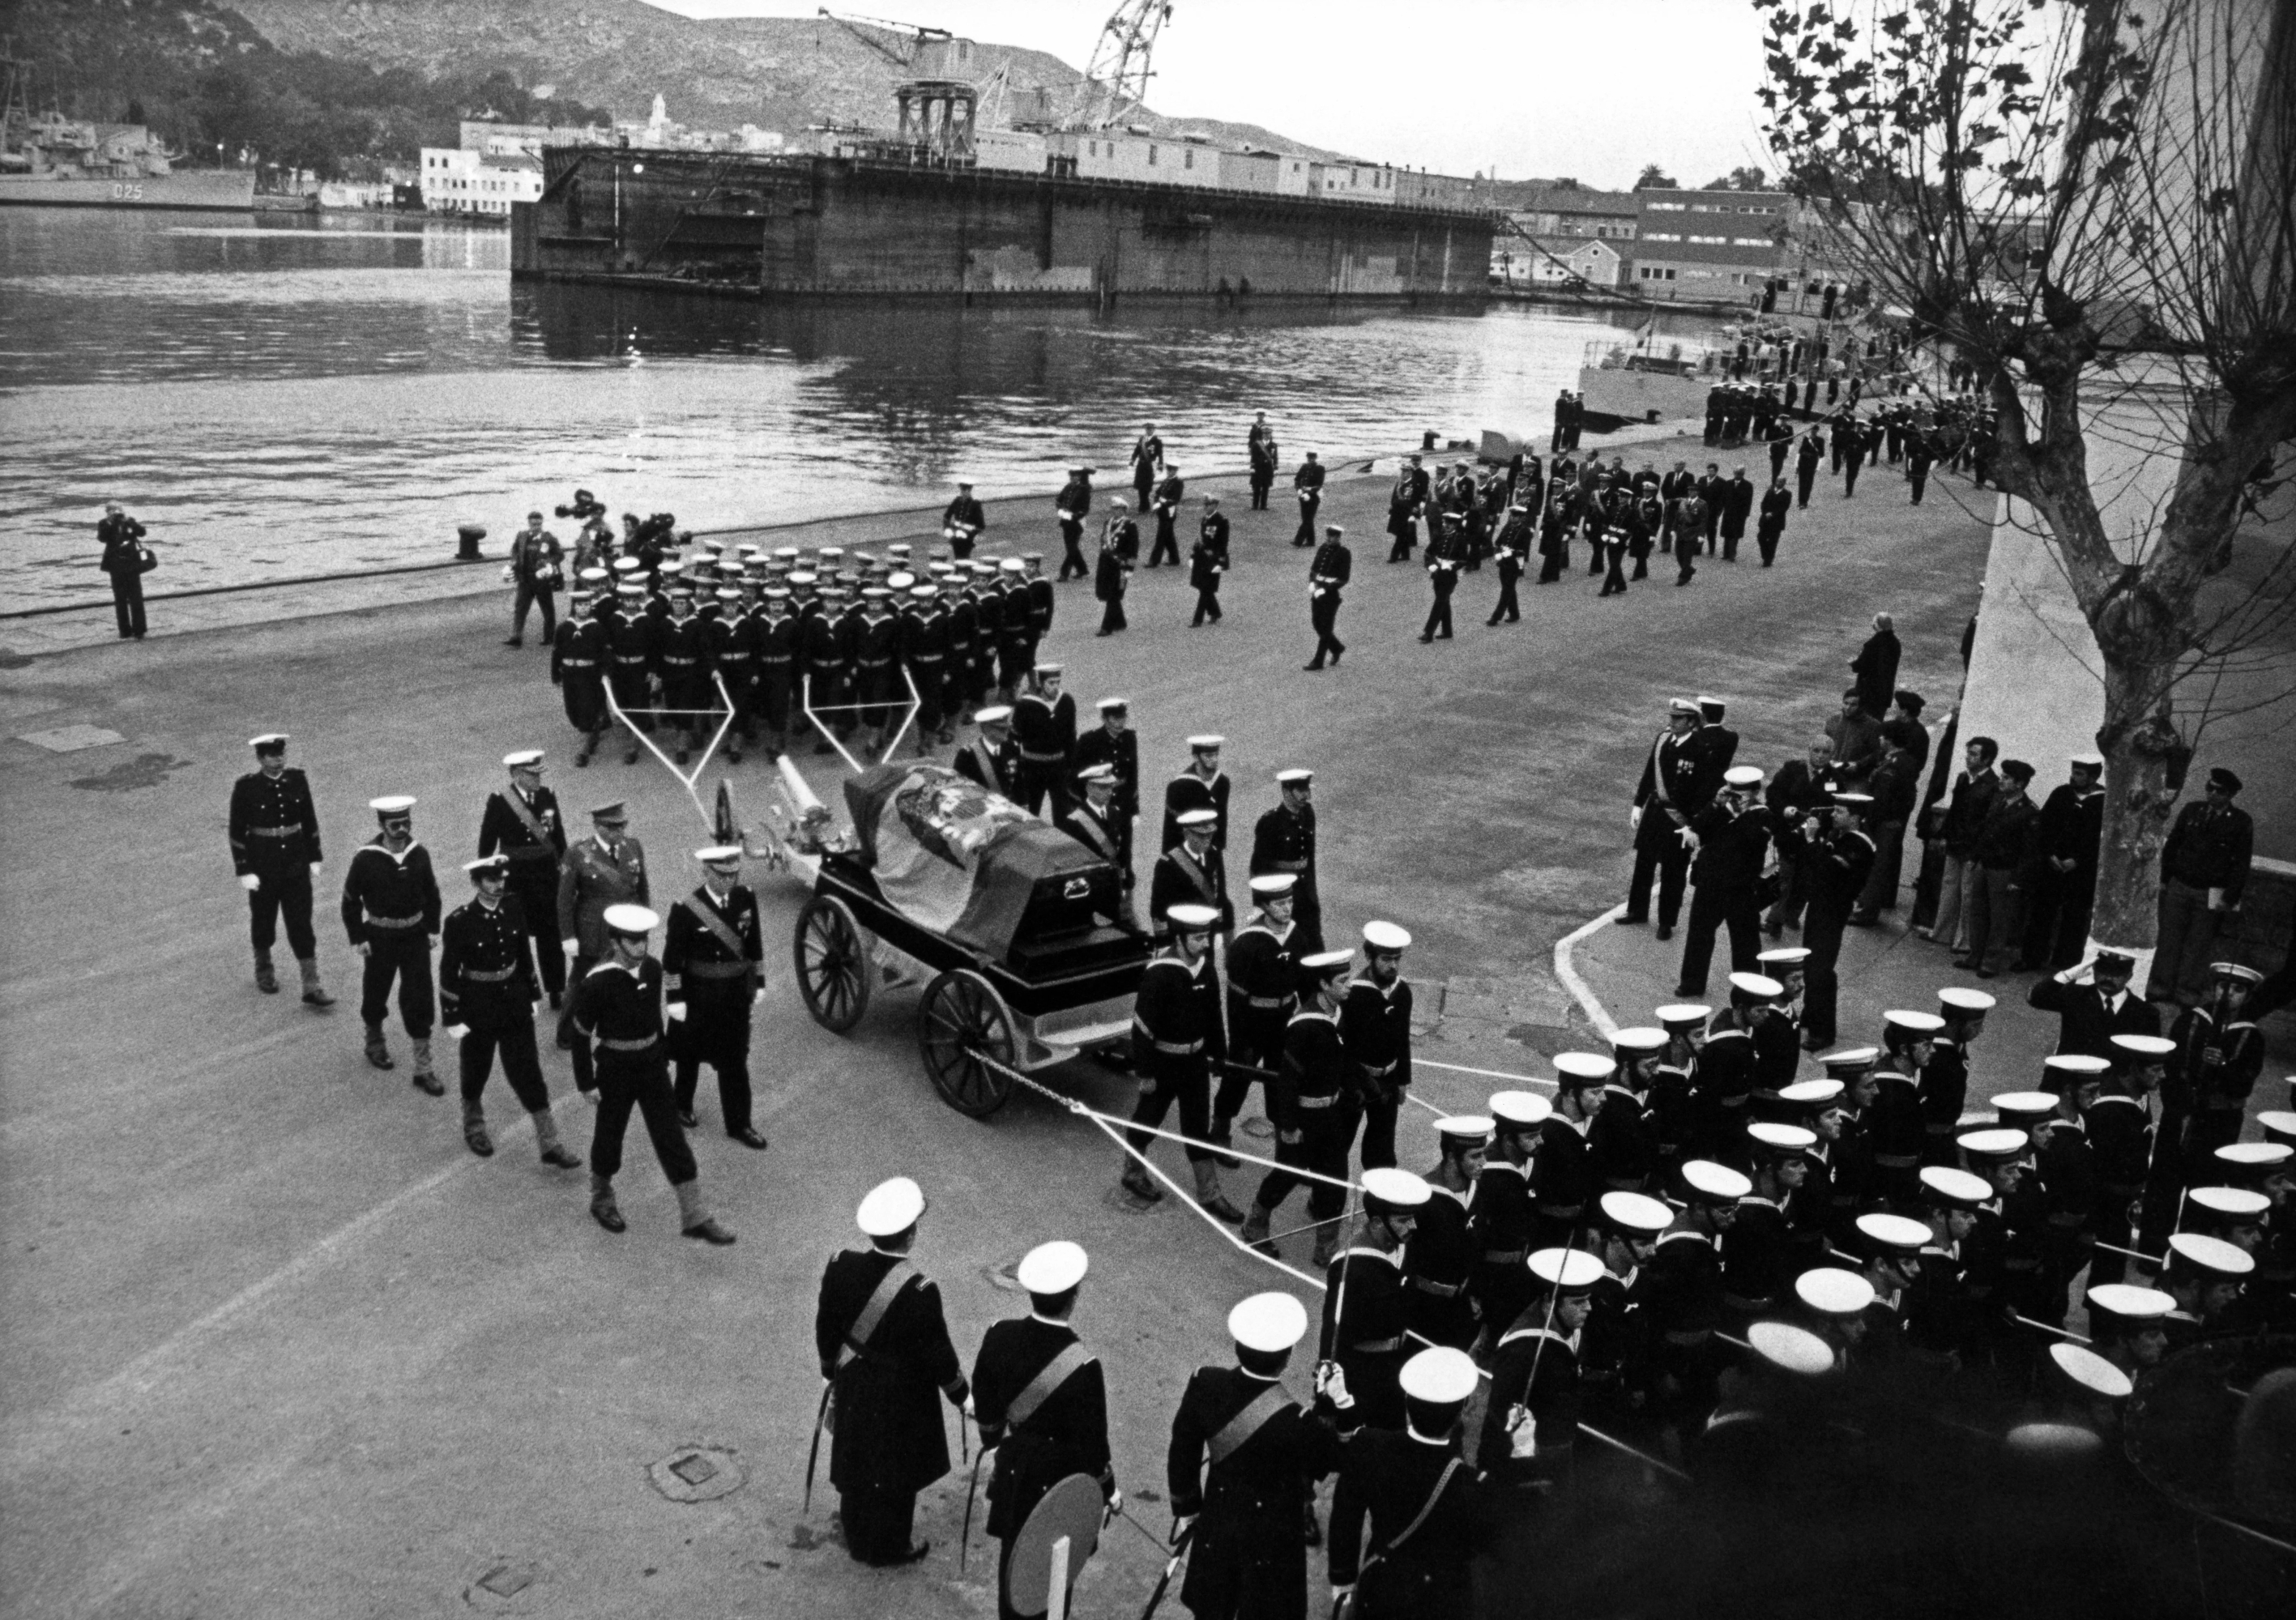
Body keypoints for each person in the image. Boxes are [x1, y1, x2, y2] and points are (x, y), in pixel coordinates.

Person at [1167, 1292, 1356, 1620]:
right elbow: (1337, 1457)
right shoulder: (1298, 1423)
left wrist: (1188, 1509)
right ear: (1286, 1358)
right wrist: (1336, 1401)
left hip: (1218, 1525)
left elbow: (1182, 1451)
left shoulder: (1204, 1383)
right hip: (1272, 1543)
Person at [815, 1176, 968, 1566]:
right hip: (901, 1396)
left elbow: (826, 1326)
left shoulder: (840, 1266)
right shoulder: (921, 1291)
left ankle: (856, 1533)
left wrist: (829, 1371)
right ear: (911, 1234)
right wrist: (961, 1395)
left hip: (853, 1380)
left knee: (854, 1457)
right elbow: (940, 1357)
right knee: (897, 1474)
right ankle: (889, 1546)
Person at [566, 902, 731, 1242]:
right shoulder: (596, 982)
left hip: (652, 1066)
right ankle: (601, 1198)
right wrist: (587, 1082)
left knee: (671, 1136)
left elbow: (655, 1019)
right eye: (633, 941)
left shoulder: (652, 969)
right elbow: (579, 1035)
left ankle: (694, 1214)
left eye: (644, 940)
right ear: (616, 942)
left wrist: (663, 1055)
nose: (641, 947)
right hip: (615, 1069)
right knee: (610, 1135)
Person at [971, 1240, 1115, 1620]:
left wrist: (994, 1441)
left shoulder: (999, 1334)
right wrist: (1108, 1489)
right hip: (1058, 1478)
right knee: (1055, 1568)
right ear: (1074, 1298)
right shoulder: (1084, 1365)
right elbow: (1093, 1445)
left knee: (1014, 1557)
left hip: (1015, 1465)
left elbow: (986, 1404)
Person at [437, 855, 583, 1166]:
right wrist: (452, 1016)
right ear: (476, 883)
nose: (498, 885)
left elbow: (523, 954)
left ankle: (550, 1142)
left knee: (528, 1072)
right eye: (491, 880)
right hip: (478, 1007)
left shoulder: (513, 907)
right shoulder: (460, 921)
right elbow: (450, 970)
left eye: (501, 879)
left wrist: (532, 992)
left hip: (514, 1002)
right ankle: (474, 1126)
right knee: (476, 1070)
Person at [1327, 1345, 1480, 1618]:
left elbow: (1345, 1518)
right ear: (1463, 1410)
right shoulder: (1470, 1484)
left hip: (1381, 1587)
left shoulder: (1370, 1447)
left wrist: (1343, 1581)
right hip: (1440, 1602)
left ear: (1407, 1402)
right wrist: (1523, 1454)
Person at [1242, 947, 1359, 1261]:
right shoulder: (1303, 1026)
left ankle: (1326, 1248)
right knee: (1287, 1174)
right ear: (1324, 985)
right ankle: (1255, 1225)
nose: (1349, 986)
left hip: (1330, 1113)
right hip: (1303, 1118)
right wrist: (1289, 1127)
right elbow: (1288, 1082)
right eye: (1343, 981)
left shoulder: (1339, 1014)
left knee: (1335, 1178)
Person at [1123, 903, 1241, 1215]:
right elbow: (1142, 1029)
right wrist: (1146, 1074)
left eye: (1208, 936)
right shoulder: (1159, 973)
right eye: (1199, 938)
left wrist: (1219, 1055)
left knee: (1197, 1127)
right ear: (1180, 938)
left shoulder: (1206, 968)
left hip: (1195, 1064)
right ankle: (1132, 1173)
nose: (1206, 944)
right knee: (1148, 1121)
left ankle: (1209, 1193)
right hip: (1162, 1065)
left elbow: (1214, 1015)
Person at [664, 845, 770, 1150]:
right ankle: (681, 1104)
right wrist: (675, 998)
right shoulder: (686, 909)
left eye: (733, 874)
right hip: (699, 996)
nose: (728, 881)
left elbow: (754, 943)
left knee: (735, 1060)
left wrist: (759, 981)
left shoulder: (745, 897)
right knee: (688, 1055)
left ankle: (740, 1124)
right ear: (706, 872)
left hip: (735, 996)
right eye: (721, 875)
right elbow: (672, 958)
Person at [340, 795, 442, 1089]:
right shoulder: (365, 858)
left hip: (414, 936)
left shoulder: (419, 854)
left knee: (420, 998)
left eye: (406, 823)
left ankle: (423, 1067)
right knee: (375, 991)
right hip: (380, 937)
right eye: (395, 824)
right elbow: (350, 901)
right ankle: (374, 1042)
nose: (402, 830)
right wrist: (358, 937)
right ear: (382, 825)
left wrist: (433, 929)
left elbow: (432, 894)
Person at [1318, 1167, 1429, 1432]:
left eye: (1412, 1217)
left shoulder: (1401, 1242)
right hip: (1361, 1369)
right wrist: (1326, 1398)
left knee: (1389, 1437)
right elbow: (1331, 1332)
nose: (1412, 1225)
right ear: (1378, 1223)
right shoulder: (1348, 1268)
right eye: (1404, 1220)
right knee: (1346, 1438)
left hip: (1394, 1364)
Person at [228, 733, 333, 1004]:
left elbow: (309, 819)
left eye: (281, 754)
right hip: (263, 865)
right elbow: (237, 831)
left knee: (301, 924)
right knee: (263, 921)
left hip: (295, 864)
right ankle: (264, 968)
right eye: (272, 756)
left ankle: (311, 984)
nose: (279, 760)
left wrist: (314, 856)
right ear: (261, 758)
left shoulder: (297, 780)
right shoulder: (247, 788)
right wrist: (244, 870)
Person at [556, 800, 650, 1098]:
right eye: (613, 827)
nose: (620, 831)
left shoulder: (633, 847)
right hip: (595, 929)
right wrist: (568, 936)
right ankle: (567, 1030)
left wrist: (644, 920)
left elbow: (642, 887)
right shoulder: (578, 853)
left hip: (627, 923)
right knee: (583, 980)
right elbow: (564, 899)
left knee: (627, 975)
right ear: (598, 827)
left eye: (622, 825)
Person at [2148, 766, 2254, 1006]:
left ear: (2230, 796)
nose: (2212, 794)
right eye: (2210, 788)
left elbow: (2241, 862)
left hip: (2211, 891)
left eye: (2219, 791)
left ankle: (2187, 992)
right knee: (2169, 938)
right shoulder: (2191, 810)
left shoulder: (2240, 822)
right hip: (2181, 884)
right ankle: (2160, 986)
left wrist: (2230, 896)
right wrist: (2164, 879)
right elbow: (2173, 845)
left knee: (2199, 943)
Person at [477, 750, 568, 1008]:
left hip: (546, 876)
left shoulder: (547, 796)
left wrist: (565, 864)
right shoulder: (499, 801)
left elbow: (557, 834)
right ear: (517, 775)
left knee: (550, 935)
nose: (538, 779)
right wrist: (485, 877)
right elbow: (487, 841)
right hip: (516, 878)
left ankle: (556, 988)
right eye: (532, 775)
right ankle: (523, 987)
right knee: (516, 934)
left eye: (539, 774)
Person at [1216, 874, 1300, 1149]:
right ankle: (1219, 1134)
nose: (1287, 908)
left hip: (1283, 1023)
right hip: (1252, 1026)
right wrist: (1240, 1041)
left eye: (1289, 901)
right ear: (1264, 907)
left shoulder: (1297, 937)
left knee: (1281, 1085)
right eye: (1279, 904)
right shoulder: (1247, 945)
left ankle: (1284, 1148)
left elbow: (1307, 984)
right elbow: (1235, 999)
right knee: (1237, 1080)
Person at [1676, 765, 1774, 997]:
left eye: (1741, 793)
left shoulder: (1762, 815)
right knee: (1699, 934)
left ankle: (1749, 988)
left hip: (1741, 886)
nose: (1736, 797)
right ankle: (1692, 982)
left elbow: (1754, 840)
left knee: (1745, 942)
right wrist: (1716, 804)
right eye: (1732, 791)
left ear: (1753, 792)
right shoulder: (1720, 809)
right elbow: (1698, 828)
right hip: (1711, 882)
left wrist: (1740, 813)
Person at [1800, 795, 1879, 1050]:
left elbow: (1826, 869)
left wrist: (1812, 840)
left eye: (1840, 811)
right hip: (1820, 905)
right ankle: (1812, 1012)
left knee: (1821, 969)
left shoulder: (1858, 845)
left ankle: (1822, 1032)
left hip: (1832, 910)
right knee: (1811, 962)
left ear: (1855, 817)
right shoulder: (1841, 837)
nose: (1833, 815)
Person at [1408, 1116, 1492, 1352]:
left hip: (1463, 1307)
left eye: (1484, 1154)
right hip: (1425, 1309)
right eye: (1476, 1156)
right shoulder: (1422, 1197)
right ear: (1452, 1157)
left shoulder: (1480, 1189)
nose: (1484, 1162)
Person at [1625, 699, 1704, 940]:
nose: (1672, 722)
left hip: (1678, 820)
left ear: (1691, 722)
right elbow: (1650, 772)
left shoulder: (1700, 748)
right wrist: (1638, 804)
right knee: (1644, 864)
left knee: (1673, 871)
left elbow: (1702, 789)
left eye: (1678, 718)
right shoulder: (1662, 739)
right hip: (1655, 813)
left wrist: (1694, 824)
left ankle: (1666, 922)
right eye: (1671, 717)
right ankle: (1637, 910)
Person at [2019, 754, 2105, 970]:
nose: (2073, 777)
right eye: (2073, 772)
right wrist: (2049, 854)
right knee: (2042, 912)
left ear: (2093, 777)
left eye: (2079, 774)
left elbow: (2101, 838)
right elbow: (2044, 826)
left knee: (2074, 918)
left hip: (2080, 872)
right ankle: (2032, 958)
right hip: (2052, 866)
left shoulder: (2104, 801)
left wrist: (2078, 860)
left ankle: (2064, 964)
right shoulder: (2062, 794)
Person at [1343, 922, 1416, 1172]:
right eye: (1386, 958)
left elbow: (1402, 1039)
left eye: (1397, 958)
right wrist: (1354, 1086)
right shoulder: (1352, 995)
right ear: (1369, 956)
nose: (1393, 965)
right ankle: (1325, 1199)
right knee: (1340, 1142)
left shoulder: (1402, 992)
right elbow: (1346, 1050)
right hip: (1357, 1081)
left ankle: (1381, 1204)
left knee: (1382, 1150)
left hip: (1388, 1081)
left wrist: (1402, 1080)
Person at [1958, 759, 2038, 978]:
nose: (2001, 781)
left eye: (2006, 778)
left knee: (1999, 919)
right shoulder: (1999, 802)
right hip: (1986, 864)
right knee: (1978, 913)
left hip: (2005, 870)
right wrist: (1974, 858)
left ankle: (1990, 962)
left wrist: (2018, 879)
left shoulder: (2028, 812)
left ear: (2019, 784)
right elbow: (1985, 832)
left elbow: (2029, 851)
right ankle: (1975, 955)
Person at [1922, 735, 2001, 954]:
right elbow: (1955, 810)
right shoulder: (1963, 779)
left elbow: (1987, 821)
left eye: (1974, 754)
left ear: (1987, 760)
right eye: (1969, 753)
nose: (1968, 758)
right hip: (1956, 842)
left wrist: (1977, 849)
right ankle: (1942, 933)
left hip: (1972, 847)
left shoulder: (1993, 786)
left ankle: (1964, 940)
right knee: (1949, 888)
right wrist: (1945, 835)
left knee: (1968, 895)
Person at [2027, 949, 2161, 1056]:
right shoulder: (2076, 995)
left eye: (2117, 974)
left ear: (2129, 976)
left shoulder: (2146, 1013)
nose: (2108, 978)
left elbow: (2150, 1057)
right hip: (2070, 1077)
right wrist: (2066, 976)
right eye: (2103, 971)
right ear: (2094, 971)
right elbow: (2036, 998)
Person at [1250, 769, 1322, 954]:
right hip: (1281, 896)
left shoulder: (1308, 814)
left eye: (1307, 789)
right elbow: (1258, 867)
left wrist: (1312, 891)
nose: (1307, 795)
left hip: (1306, 893)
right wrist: (1259, 904)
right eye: (1301, 790)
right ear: (1286, 791)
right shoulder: (1270, 823)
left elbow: (1309, 857)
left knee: (1314, 946)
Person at [1071, 697, 1139, 889]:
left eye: (1122, 718)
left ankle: (1126, 869)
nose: (1120, 723)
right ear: (1104, 718)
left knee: (1125, 839)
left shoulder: (1129, 738)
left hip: (1122, 800)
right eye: (1114, 719)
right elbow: (1076, 777)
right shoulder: (1089, 741)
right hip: (1099, 800)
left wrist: (1135, 808)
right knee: (1101, 840)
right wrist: (1083, 804)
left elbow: (1132, 774)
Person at [552, 583, 613, 765]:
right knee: (573, 711)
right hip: (570, 674)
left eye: (586, 605)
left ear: (590, 607)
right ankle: (592, 731)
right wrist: (555, 674)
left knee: (588, 708)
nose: (583, 608)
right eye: (579, 605)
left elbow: (606, 654)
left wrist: (605, 673)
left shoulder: (597, 628)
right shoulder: (564, 628)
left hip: (590, 675)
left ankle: (583, 752)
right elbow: (557, 652)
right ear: (574, 607)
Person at [1010, 663, 1078, 816]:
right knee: (1031, 811)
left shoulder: (1066, 701)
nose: (1055, 687)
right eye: (1051, 683)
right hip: (1033, 768)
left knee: (1063, 813)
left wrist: (1071, 766)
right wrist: (1016, 769)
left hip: (1059, 767)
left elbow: (1071, 736)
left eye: (1058, 682)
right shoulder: (1025, 705)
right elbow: (1014, 739)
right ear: (1041, 683)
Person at [1150, 809, 1231, 936]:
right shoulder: (1167, 864)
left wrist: (1220, 929)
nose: (1206, 840)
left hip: (1209, 929)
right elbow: (1159, 907)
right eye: (1201, 835)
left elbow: (1219, 895)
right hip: (1182, 933)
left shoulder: (1214, 855)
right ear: (1187, 833)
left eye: (1209, 835)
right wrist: (1163, 941)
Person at [1163, 735, 1232, 855]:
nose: (1214, 759)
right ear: (1196, 757)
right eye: (1208, 756)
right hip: (1185, 854)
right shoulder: (1179, 786)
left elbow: (1221, 818)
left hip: (1212, 851)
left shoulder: (1222, 782)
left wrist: (1218, 848)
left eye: (1216, 755)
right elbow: (1172, 829)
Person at [96, 501, 153, 640]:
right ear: (107, 512)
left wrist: (129, 522)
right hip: (115, 566)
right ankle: (124, 630)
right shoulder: (104, 523)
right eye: (112, 510)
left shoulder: (129, 521)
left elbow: (142, 532)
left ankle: (139, 630)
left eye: (118, 509)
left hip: (132, 564)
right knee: (120, 598)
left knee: (136, 597)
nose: (116, 513)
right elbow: (102, 538)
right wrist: (112, 523)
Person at [506, 510, 563, 648]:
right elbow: (514, 550)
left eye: (538, 524)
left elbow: (560, 555)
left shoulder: (549, 538)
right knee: (520, 608)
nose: (536, 527)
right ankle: (516, 637)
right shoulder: (522, 536)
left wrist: (548, 562)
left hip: (542, 580)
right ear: (529, 523)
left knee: (547, 609)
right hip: (525, 579)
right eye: (533, 524)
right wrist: (514, 560)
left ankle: (549, 636)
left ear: (542, 523)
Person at [1305, 523, 1351, 670]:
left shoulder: (1344, 553)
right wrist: (1312, 582)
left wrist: (1326, 589)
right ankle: (1336, 647)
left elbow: (1343, 578)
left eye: (1332, 537)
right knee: (1317, 624)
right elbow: (1314, 569)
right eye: (1328, 537)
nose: (1329, 540)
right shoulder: (1323, 548)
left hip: (1331, 596)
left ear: (1338, 538)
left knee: (1326, 628)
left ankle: (1318, 661)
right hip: (1317, 593)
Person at [1094, 502, 1134, 637]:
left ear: (1124, 510)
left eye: (1118, 509)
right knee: (1108, 593)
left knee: (1113, 594)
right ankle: (1120, 621)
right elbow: (1103, 540)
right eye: (1114, 508)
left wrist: (1129, 567)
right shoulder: (1108, 522)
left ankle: (1106, 627)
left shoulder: (1130, 525)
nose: (1115, 511)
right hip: (1106, 562)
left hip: (1120, 564)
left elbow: (1133, 548)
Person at [1850, 613, 1901, 720]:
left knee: (1863, 726)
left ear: (1877, 626)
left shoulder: (1872, 645)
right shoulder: (1895, 643)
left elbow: (1861, 667)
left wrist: (1853, 663)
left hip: (1868, 694)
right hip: (1885, 693)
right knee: (1876, 725)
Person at [1189, 498, 1227, 626]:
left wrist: (1221, 563)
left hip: (1213, 559)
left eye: (1208, 505)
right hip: (1202, 558)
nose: (1205, 507)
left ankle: (1197, 619)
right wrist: (1193, 556)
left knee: (1205, 589)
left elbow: (1223, 543)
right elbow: (1201, 540)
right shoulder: (1205, 519)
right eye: (1205, 504)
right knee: (1204, 588)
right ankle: (1215, 612)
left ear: (1215, 505)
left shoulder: (1221, 521)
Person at [1054, 467, 1093, 581]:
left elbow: (1085, 509)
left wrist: (1074, 516)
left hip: (1077, 522)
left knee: (1071, 548)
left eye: (1075, 476)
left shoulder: (1084, 489)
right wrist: (1061, 511)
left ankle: (1064, 573)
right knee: (1072, 548)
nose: (1073, 478)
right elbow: (1059, 500)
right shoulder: (1068, 487)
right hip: (1066, 521)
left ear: (1079, 477)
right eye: (1071, 476)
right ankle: (1083, 570)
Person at [1148, 463, 1186, 568]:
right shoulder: (1166, 480)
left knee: (1161, 537)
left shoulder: (1178, 482)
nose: (1169, 472)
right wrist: (1156, 502)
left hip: (1169, 512)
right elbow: (1158, 492)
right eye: (1168, 470)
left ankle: (1154, 561)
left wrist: (1161, 503)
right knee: (1169, 537)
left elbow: (1176, 499)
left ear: (1175, 471)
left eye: (1172, 470)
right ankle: (1175, 559)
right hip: (1162, 510)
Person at [942, 479, 987, 561]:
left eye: (966, 490)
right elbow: (946, 516)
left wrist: (972, 534)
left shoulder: (975, 504)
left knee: (964, 558)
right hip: (955, 534)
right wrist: (947, 529)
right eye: (962, 489)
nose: (963, 492)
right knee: (957, 557)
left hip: (968, 536)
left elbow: (981, 525)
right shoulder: (957, 501)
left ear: (970, 490)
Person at [1292, 450, 1326, 546]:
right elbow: (1297, 479)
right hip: (1303, 496)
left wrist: (1310, 490)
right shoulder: (1304, 467)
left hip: (1314, 497)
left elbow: (1319, 484)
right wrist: (1298, 489)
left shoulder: (1320, 469)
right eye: (1309, 458)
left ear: (1315, 459)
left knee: (1308, 519)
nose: (1310, 460)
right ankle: (1311, 541)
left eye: (1312, 459)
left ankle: (1298, 540)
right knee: (1306, 519)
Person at [1131, 422, 1165, 510]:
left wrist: (1160, 465)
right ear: (1146, 430)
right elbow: (1137, 451)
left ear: (1154, 430)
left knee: (1147, 486)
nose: (1149, 430)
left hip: (1150, 465)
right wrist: (1132, 460)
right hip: (1141, 465)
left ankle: (1145, 505)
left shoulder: (1157, 441)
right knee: (1140, 486)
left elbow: (1160, 454)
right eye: (1148, 429)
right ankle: (1142, 505)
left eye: (1151, 429)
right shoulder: (1142, 439)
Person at [1795, 426, 1825, 509]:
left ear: (1817, 431)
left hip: (1812, 464)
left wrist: (1818, 467)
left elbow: (1822, 454)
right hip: (1803, 463)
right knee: (1801, 483)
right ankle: (1801, 501)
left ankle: (1805, 502)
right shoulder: (1806, 438)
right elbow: (1800, 451)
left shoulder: (1820, 440)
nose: (1813, 431)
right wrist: (1797, 465)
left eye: (1815, 430)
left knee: (1808, 484)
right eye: (1812, 429)